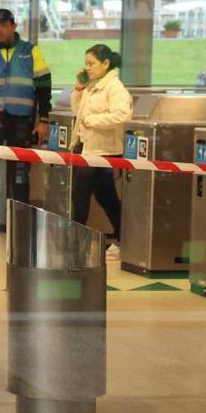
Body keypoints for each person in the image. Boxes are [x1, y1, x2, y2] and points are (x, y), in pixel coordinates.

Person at [0, 8, 53, 238]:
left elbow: (44, 86)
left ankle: (20, 227)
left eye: (4, 25)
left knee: (21, 174)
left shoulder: (30, 52)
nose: (0, 30)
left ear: (13, 26)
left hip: (22, 120)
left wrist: (43, 120)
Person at [69, 44, 132, 263]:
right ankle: (125, 238)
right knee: (106, 197)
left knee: (80, 193)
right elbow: (78, 112)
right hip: (87, 148)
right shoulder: (92, 86)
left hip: (103, 151)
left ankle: (75, 244)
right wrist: (78, 89)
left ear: (106, 64)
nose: (88, 68)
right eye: (86, 63)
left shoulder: (115, 88)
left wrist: (93, 121)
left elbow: (122, 115)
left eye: (92, 64)